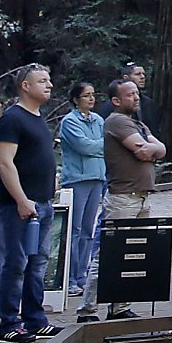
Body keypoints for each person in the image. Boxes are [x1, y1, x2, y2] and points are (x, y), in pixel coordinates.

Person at [0, 64, 59, 343]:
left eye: (49, 80)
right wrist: (21, 199)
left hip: (43, 202)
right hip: (21, 205)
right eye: (42, 81)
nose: (50, 85)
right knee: (17, 262)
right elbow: (4, 162)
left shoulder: (38, 118)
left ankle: (35, 319)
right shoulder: (12, 118)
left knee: (38, 262)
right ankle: (9, 324)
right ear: (25, 86)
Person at [90, 75, 165, 322]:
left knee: (133, 255)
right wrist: (153, 150)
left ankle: (119, 307)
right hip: (123, 198)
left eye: (136, 94)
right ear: (115, 100)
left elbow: (161, 149)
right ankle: (87, 310)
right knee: (109, 254)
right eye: (130, 95)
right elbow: (143, 151)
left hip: (142, 198)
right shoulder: (117, 121)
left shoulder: (139, 125)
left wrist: (154, 149)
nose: (136, 98)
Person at [58, 82, 107, 299]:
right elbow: (84, 146)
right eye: (86, 95)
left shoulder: (98, 120)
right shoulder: (69, 122)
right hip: (77, 179)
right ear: (76, 99)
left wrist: (98, 146)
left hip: (97, 177)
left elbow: (104, 144)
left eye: (92, 95)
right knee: (73, 229)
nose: (91, 99)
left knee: (88, 229)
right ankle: (67, 278)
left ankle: (81, 275)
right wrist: (100, 146)